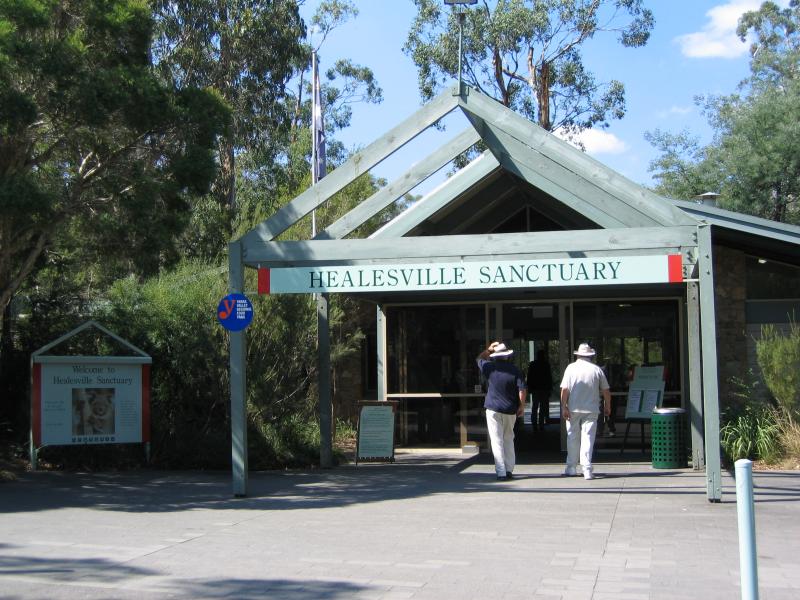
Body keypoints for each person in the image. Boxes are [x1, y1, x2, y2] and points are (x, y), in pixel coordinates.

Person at [560, 343, 611, 480]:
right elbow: (606, 390)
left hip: (573, 408)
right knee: (588, 438)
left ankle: (571, 467)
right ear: (590, 356)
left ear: (578, 355)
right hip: (591, 408)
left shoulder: (571, 368)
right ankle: (587, 469)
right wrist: (608, 406)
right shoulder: (596, 370)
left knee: (572, 437)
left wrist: (564, 406)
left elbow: (565, 389)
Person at [477, 341, 527, 480]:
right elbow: (522, 390)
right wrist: (521, 406)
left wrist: (488, 350)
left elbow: (479, 359)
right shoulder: (515, 370)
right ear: (507, 356)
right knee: (508, 438)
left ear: (495, 355)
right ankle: (509, 468)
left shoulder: (489, 368)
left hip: (493, 408)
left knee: (496, 440)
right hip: (510, 409)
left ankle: (501, 471)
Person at [526, 349, 553, 431]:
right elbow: (549, 377)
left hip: (535, 389)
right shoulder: (546, 364)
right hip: (544, 389)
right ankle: (541, 425)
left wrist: (529, 388)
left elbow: (529, 377)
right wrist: (549, 389)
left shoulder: (533, 364)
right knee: (542, 407)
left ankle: (534, 424)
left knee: (535, 407)